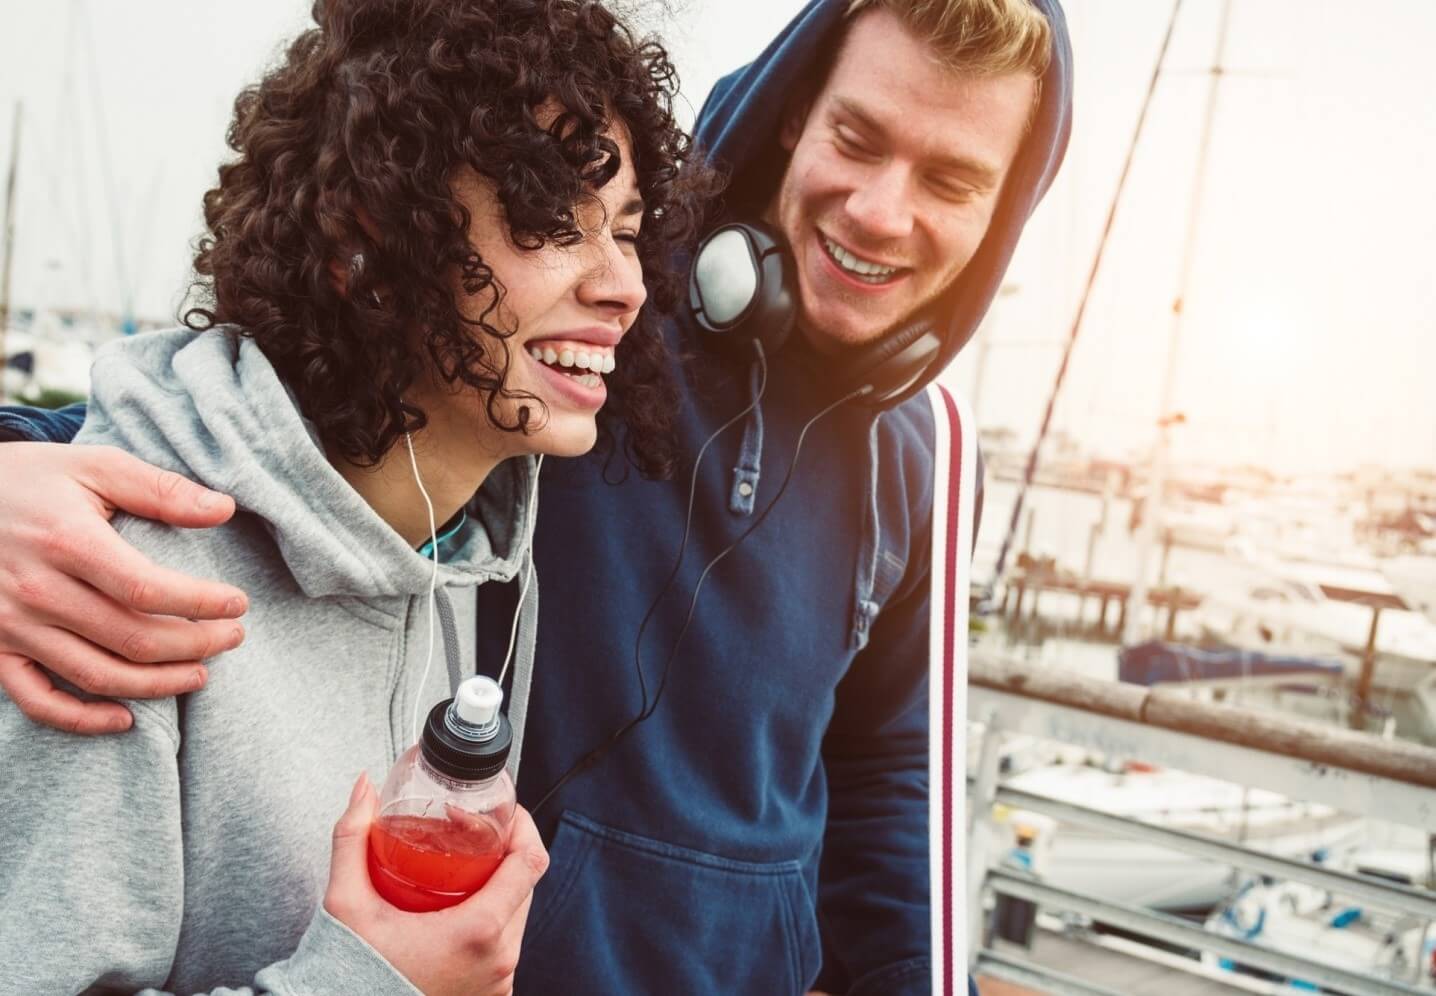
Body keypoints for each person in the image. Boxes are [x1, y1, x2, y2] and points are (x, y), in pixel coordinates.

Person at [0, 0, 1073, 992]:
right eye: (858, 138)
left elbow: (893, 782)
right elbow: (250, 427)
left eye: (948, 181)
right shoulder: (566, 355)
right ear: (793, 119)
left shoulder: (920, 447)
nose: (882, 212)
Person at [0, 0, 715, 992]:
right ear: (372, 237)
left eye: (629, 233)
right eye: (553, 219)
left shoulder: (467, 560)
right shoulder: (110, 582)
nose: (623, 286)